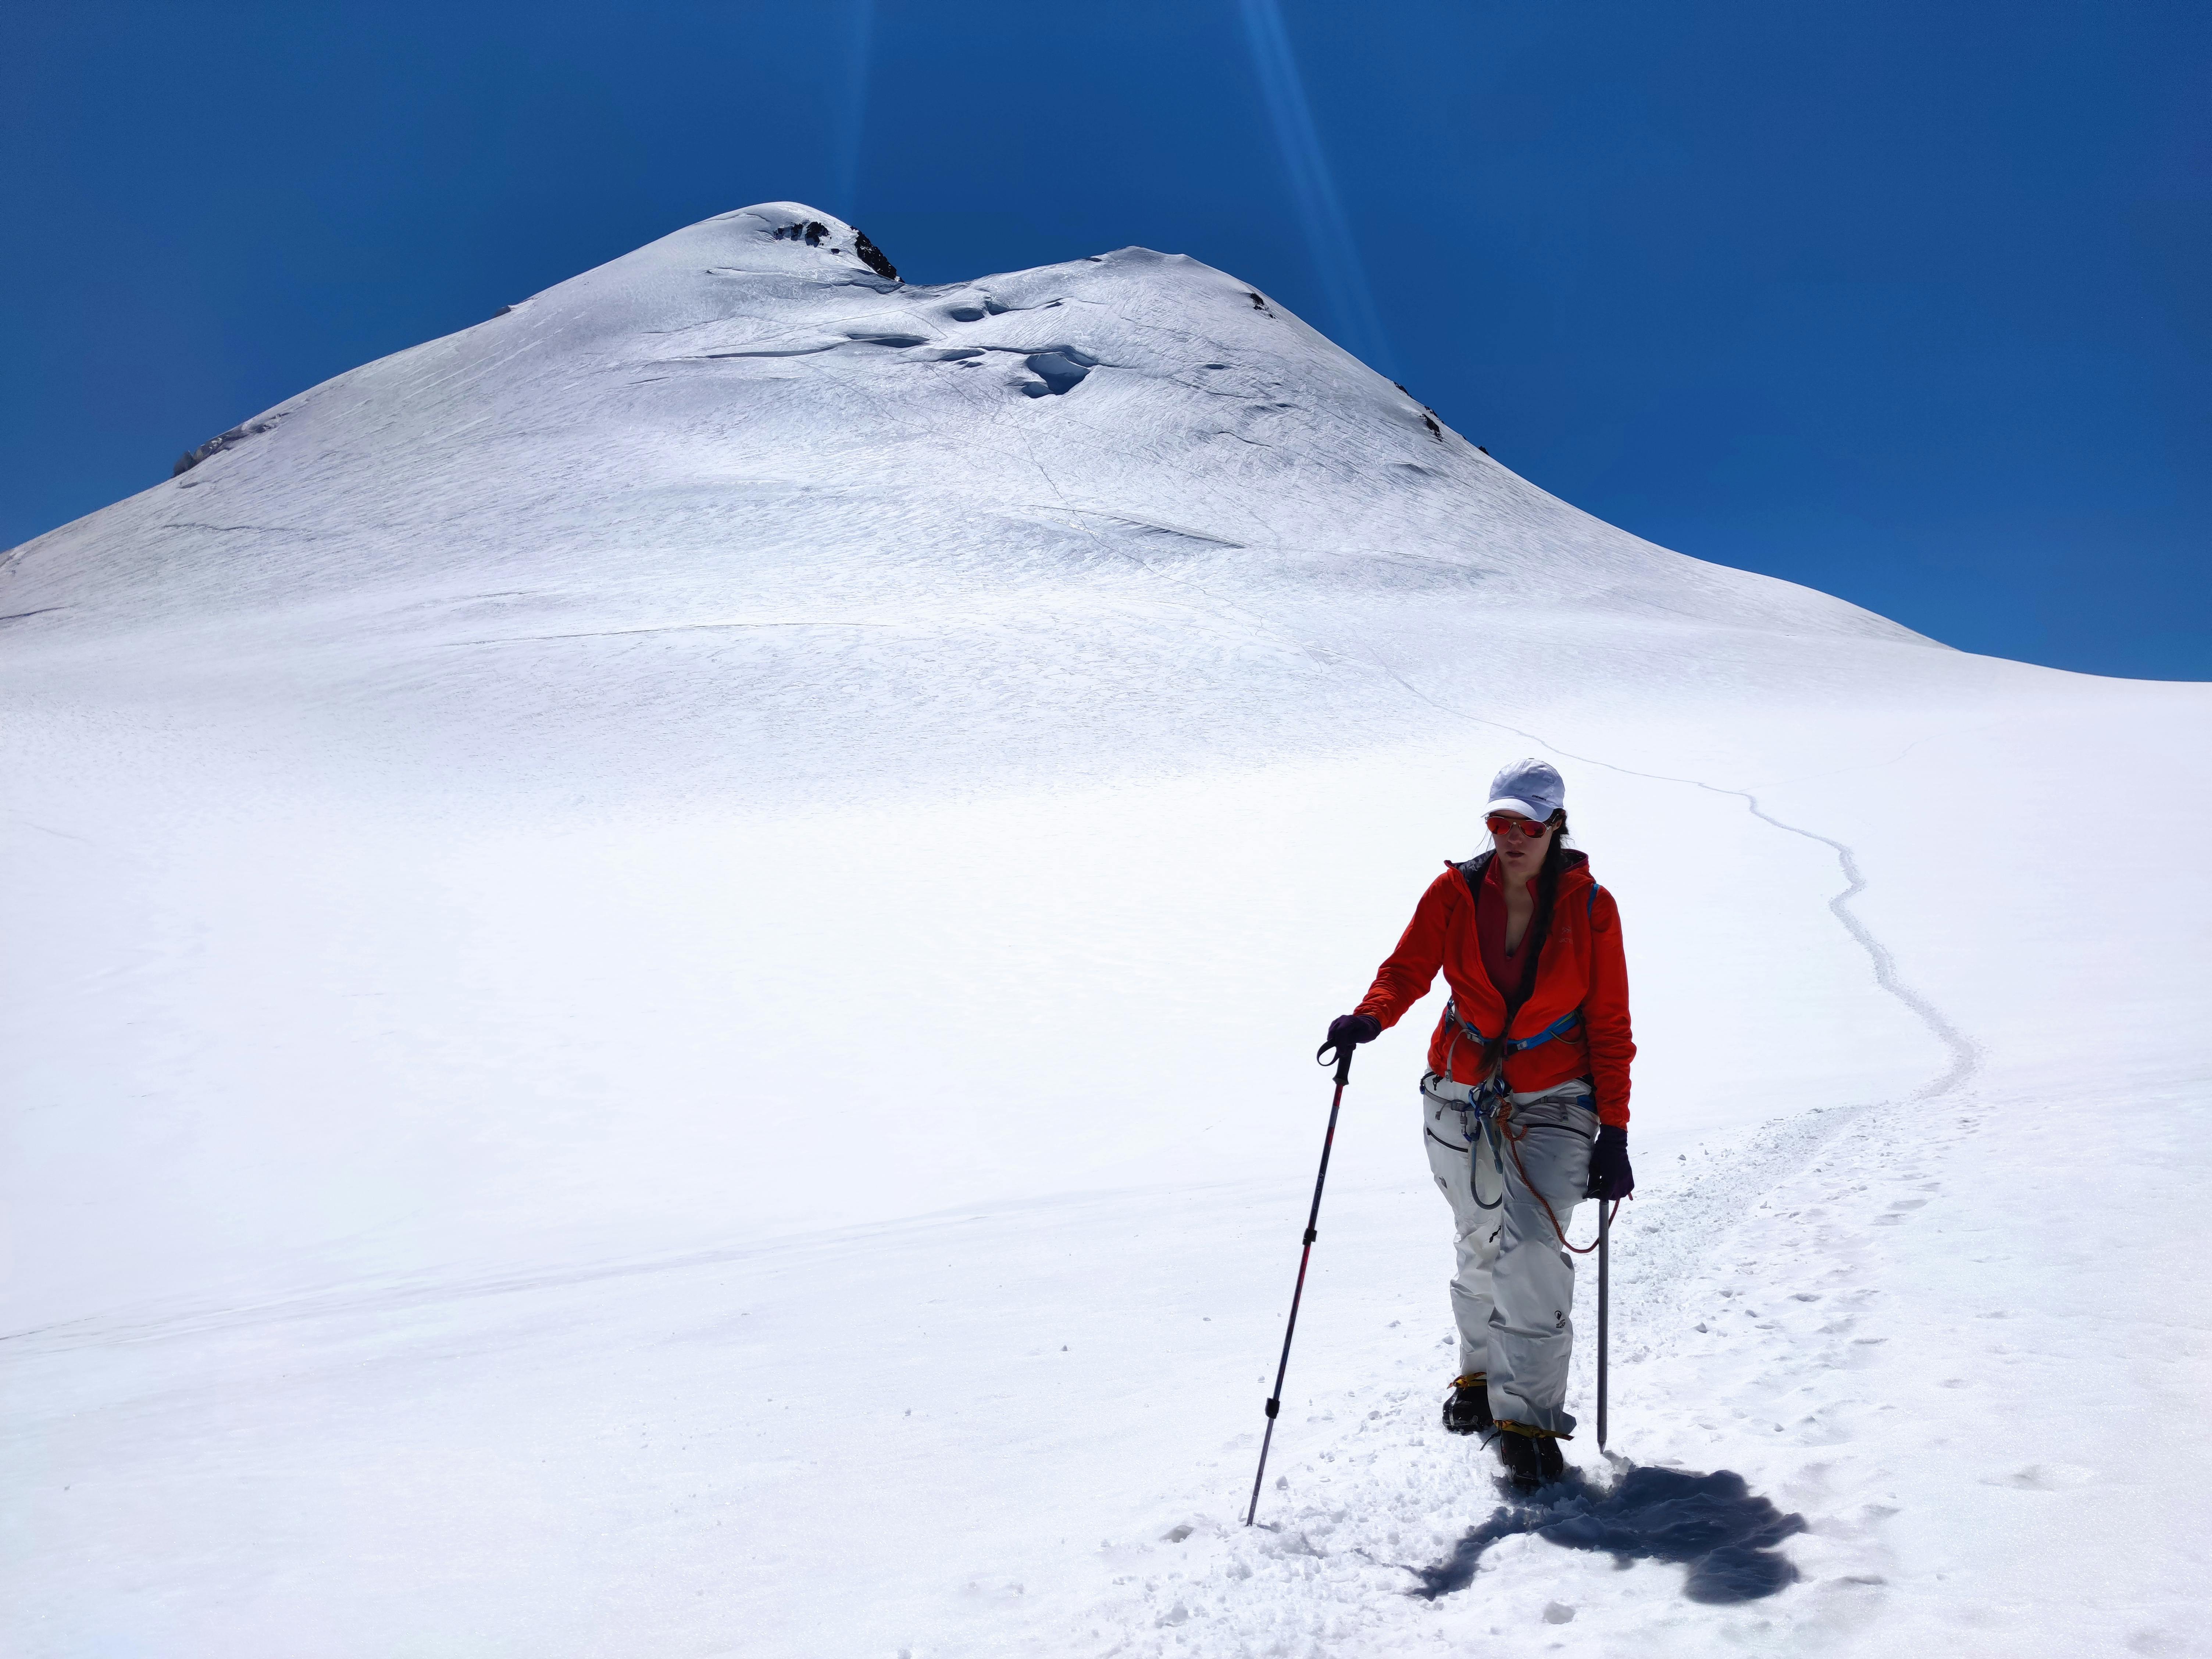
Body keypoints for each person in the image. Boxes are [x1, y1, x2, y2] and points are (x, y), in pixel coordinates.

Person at [1323, 758, 1635, 1489]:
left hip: (1556, 1094)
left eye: (1523, 825)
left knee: (1530, 1245)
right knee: (1477, 1236)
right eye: (1497, 822)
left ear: (1554, 826)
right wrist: (1367, 1019)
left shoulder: (1592, 909)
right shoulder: (1455, 892)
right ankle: (1478, 1376)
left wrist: (1613, 1131)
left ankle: (1526, 1416)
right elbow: (1406, 971)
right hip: (1462, 1087)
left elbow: (1609, 1021)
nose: (1508, 837)